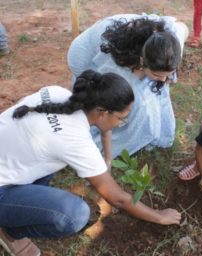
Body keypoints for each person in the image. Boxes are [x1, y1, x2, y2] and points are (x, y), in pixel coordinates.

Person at [0, 70, 181, 256]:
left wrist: (107, 158)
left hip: (8, 159)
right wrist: (159, 216)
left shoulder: (57, 94)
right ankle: (10, 231)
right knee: (73, 215)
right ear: (102, 112)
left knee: (50, 154)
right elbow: (118, 198)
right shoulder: (76, 142)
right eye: (121, 118)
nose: (121, 123)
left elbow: (104, 127)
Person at [67, 13, 189, 161]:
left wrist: (163, 76)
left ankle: (152, 131)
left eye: (168, 74)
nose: (164, 79)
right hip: (85, 55)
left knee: (146, 94)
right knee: (125, 101)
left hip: (132, 55)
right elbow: (106, 99)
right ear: (142, 62)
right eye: (157, 75)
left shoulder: (170, 46)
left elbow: (183, 28)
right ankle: (93, 140)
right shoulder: (116, 69)